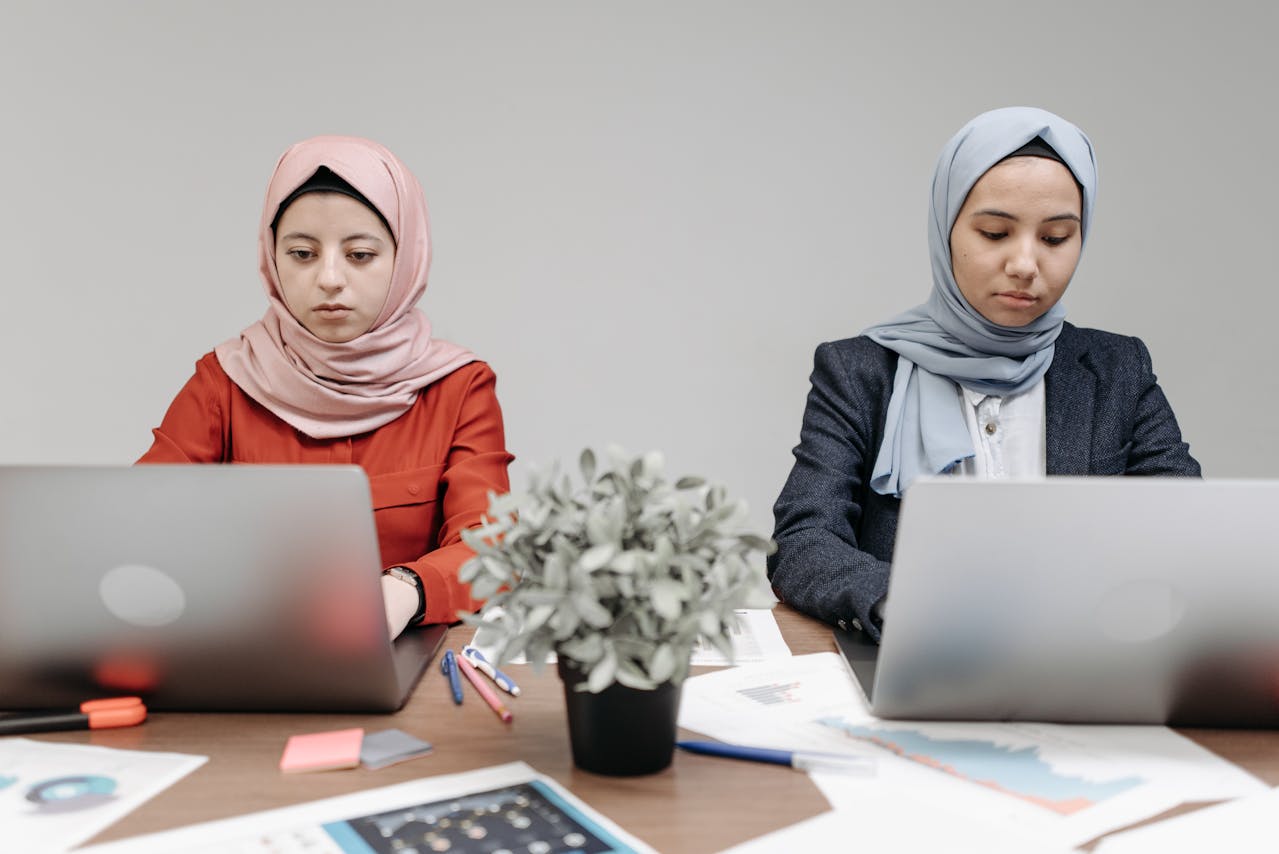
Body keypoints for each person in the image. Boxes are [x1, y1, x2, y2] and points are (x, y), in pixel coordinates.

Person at [767, 107, 1199, 641]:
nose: (1025, 263)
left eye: (1056, 238)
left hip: (1084, 657)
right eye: (995, 232)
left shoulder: (1117, 371)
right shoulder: (858, 371)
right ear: (947, 227)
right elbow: (805, 538)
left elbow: (1184, 526)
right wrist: (907, 604)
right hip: (916, 655)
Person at [139, 135, 513, 639]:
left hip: (408, 662)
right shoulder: (222, 383)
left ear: (406, 258)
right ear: (271, 259)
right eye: (302, 253)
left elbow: (489, 548)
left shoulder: (459, 389)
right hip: (246, 661)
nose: (329, 278)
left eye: (359, 254)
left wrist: (406, 589)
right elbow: (137, 529)